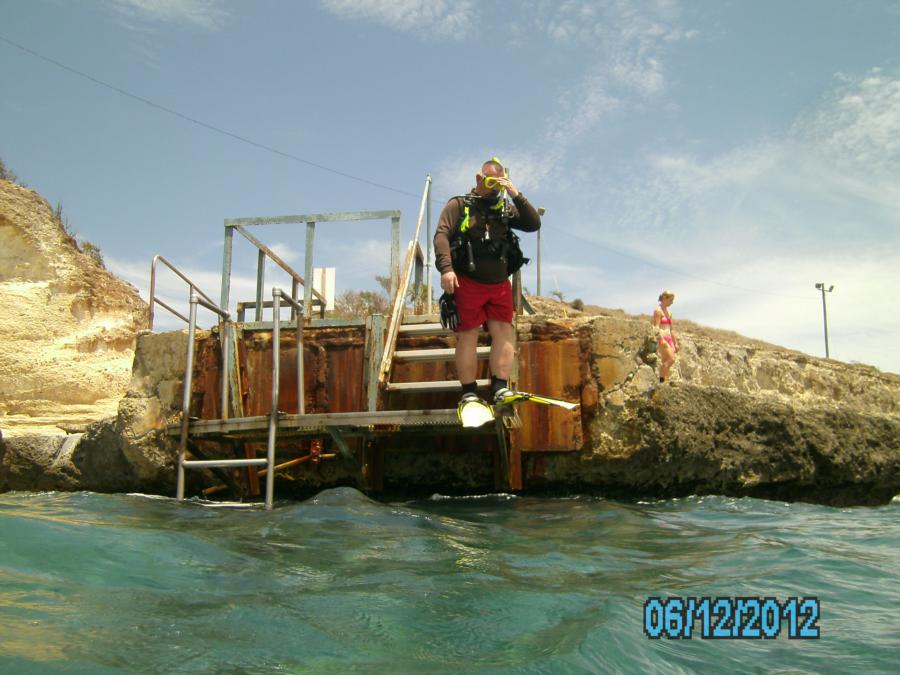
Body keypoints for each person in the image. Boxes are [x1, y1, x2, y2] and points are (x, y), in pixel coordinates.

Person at [434, 158, 542, 405]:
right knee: (468, 335)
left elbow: (534, 223)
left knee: (504, 331)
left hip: (499, 284)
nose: (493, 187)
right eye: (489, 180)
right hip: (467, 282)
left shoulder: (505, 208)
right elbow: (441, 235)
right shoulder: (460, 204)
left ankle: (500, 388)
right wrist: (446, 269)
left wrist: (515, 194)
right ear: (478, 178)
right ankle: (469, 392)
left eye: (498, 182)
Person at [652, 290, 679, 383]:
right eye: (670, 300)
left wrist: (675, 343)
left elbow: (671, 329)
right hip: (662, 338)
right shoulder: (658, 311)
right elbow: (656, 327)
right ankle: (661, 377)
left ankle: (664, 381)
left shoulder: (669, 313)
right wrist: (661, 339)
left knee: (666, 361)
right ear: (664, 298)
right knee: (672, 359)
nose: (672, 302)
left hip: (669, 338)